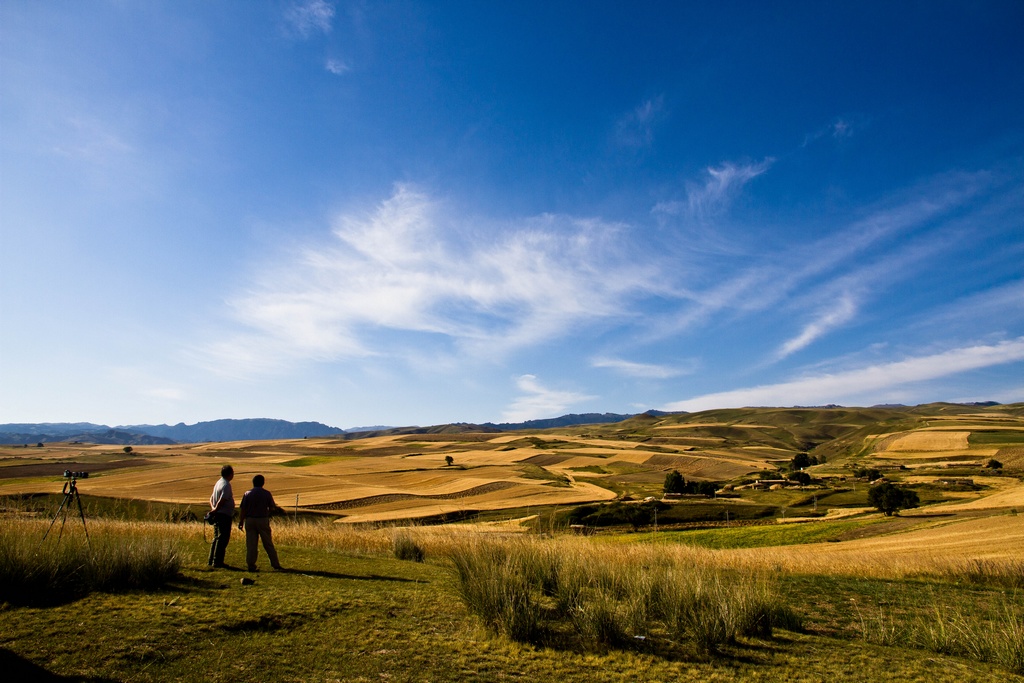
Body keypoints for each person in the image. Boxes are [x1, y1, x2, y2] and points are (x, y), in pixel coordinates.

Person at [238, 474, 283, 572]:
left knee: (251, 544)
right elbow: (272, 508)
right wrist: (268, 514)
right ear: (263, 483)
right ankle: (275, 564)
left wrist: (241, 521)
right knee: (268, 543)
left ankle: (251, 565)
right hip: (262, 519)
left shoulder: (247, 493)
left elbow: (243, 510)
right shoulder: (267, 494)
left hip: (249, 520)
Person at [208, 464, 235, 568]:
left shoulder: (218, 483)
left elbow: (211, 498)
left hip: (218, 514)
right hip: (223, 515)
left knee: (216, 537)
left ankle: (211, 559)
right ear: (230, 474)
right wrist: (216, 509)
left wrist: (213, 509)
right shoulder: (226, 485)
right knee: (222, 538)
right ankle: (217, 561)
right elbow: (222, 499)